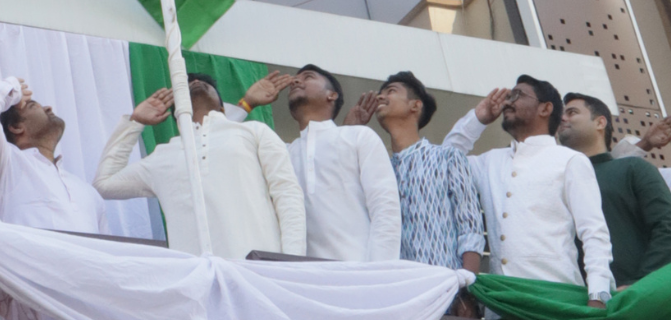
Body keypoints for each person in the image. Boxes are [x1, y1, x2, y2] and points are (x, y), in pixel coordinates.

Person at [444, 76, 614, 310]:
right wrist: (477, 119)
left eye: (518, 95)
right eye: (508, 96)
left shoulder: (570, 160)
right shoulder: (490, 162)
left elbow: (594, 233)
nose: (507, 103)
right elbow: (442, 165)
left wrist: (598, 294)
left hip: (554, 298)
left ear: (546, 108)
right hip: (500, 302)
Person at [93, 73, 305, 259]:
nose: (195, 82)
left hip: (258, 269)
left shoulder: (254, 131)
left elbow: (287, 193)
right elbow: (104, 184)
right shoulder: (162, 156)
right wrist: (135, 122)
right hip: (197, 281)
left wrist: (290, 263)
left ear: (222, 107)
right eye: (187, 84)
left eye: (204, 82)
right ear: (176, 114)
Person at [347, 72, 482, 317]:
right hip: (394, 300)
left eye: (391, 91)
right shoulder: (376, 169)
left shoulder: (447, 157)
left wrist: (467, 291)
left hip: (444, 296)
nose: (381, 97)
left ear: (415, 105)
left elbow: (470, 227)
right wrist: (350, 130)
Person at [238, 65, 401, 261]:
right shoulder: (283, 152)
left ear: (332, 95)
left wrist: (378, 273)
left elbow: (385, 208)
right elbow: (224, 148)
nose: (296, 81)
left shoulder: (358, 136)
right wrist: (246, 104)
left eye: (307, 77)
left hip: (357, 272)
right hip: (303, 276)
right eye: (295, 79)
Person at [0, 76, 107, 233]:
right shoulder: (5, 165)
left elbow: (107, 250)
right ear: (16, 127)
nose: (49, 108)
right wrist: (13, 88)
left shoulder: (87, 191)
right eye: (33, 106)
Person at [558, 93, 671, 288]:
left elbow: (666, 226)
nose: (562, 118)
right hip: (574, 302)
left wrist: (640, 285)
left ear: (600, 123)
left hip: (634, 300)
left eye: (572, 112)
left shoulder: (633, 169)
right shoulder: (556, 180)